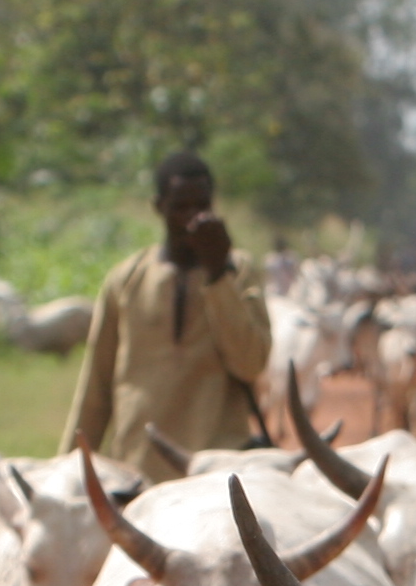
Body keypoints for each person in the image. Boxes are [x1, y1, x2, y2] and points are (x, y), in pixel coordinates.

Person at [63, 151, 270, 468]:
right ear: (159, 207)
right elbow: (96, 385)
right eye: (180, 208)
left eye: (201, 207)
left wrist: (217, 276)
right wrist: (67, 465)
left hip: (215, 466)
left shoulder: (238, 272)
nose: (192, 218)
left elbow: (251, 363)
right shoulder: (127, 280)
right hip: (138, 463)